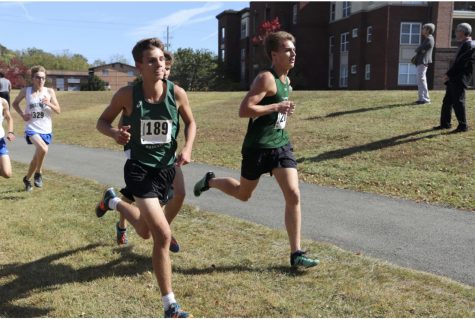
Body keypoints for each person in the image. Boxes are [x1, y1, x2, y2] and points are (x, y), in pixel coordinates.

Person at [193, 31, 319, 269]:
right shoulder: (266, 79)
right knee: (243, 193)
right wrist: (276, 107)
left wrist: (281, 111)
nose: (294, 53)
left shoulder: (286, 81)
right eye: (287, 50)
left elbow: (276, 113)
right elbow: (244, 109)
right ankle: (210, 181)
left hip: (280, 145)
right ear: (274, 54)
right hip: (257, 148)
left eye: (294, 49)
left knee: (293, 194)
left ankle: (296, 253)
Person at [95, 38, 195, 318]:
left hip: (167, 167)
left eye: (161, 59)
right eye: (152, 60)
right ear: (139, 66)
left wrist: (186, 147)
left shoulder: (178, 93)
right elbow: (102, 121)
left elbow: (191, 122)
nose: (159, 64)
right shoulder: (127, 94)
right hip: (139, 169)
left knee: (147, 230)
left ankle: (113, 201)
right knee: (161, 235)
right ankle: (170, 306)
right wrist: (115, 133)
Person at [115, 50, 185, 250]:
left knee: (179, 193)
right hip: (138, 157)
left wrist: (186, 147)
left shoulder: (174, 93)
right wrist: (120, 133)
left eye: (167, 67)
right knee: (129, 197)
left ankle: (163, 229)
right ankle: (121, 221)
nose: (164, 70)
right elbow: (122, 122)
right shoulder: (132, 94)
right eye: (156, 63)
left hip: (165, 158)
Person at [12, 65, 61, 191]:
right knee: (43, 149)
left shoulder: (49, 92)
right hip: (31, 128)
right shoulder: (26, 91)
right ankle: (39, 173)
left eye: (43, 78)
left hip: (46, 129)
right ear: (32, 78)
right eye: (38, 78)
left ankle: (27, 179)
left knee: (36, 158)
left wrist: (48, 103)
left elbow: (58, 110)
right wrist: (22, 114)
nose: (41, 80)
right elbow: (15, 103)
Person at [434, 23, 474, 133]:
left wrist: (448, 74)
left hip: (459, 78)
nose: (455, 32)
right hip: (455, 77)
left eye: (457, 30)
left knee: (458, 101)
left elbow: (461, 63)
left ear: (462, 32)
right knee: (447, 101)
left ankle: (463, 126)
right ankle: (445, 124)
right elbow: (457, 62)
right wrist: (450, 74)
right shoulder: (464, 44)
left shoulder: (469, 44)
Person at [414, 23, 435, 105]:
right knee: (420, 80)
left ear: (428, 30)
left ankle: (426, 99)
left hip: (423, 62)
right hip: (421, 62)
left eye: (424, 28)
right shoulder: (427, 39)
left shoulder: (429, 38)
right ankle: (421, 98)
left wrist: (420, 49)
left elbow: (420, 49)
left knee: (422, 80)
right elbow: (420, 49)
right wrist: (420, 49)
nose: (422, 30)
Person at [0, 97, 15, 179]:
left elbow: (9, 118)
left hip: (0, 141)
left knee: (7, 173)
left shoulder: (3, 102)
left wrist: (10, 132)